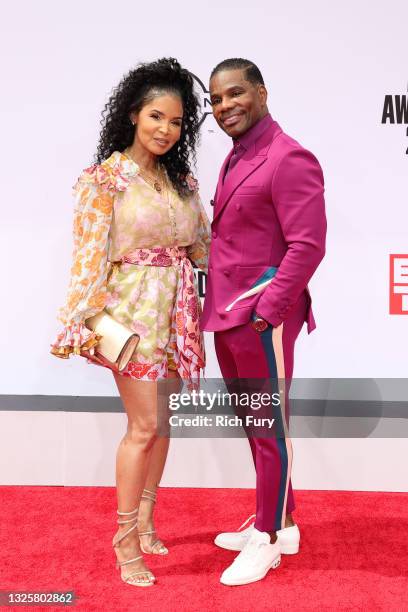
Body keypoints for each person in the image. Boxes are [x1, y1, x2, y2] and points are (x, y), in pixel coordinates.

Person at [51, 58, 210, 587]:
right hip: (131, 317)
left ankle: (144, 523)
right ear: (133, 116)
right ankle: (123, 543)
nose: (166, 129)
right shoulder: (104, 181)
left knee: (162, 426)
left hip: (178, 316)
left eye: (177, 122)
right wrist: (80, 319)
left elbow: (202, 247)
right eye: (156, 117)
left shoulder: (182, 181)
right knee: (142, 428)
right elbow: (88, 257)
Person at [201, 58, 326, 586]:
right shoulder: (237, 156)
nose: (224, 105)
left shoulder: (289, 157)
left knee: (268, 427)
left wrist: (266, 314)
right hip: (230, 313)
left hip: (260, 316)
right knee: (257, 424)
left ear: (261, 91)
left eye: (234, 93)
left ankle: (268, 538)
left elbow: (308, 245)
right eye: (215, 99)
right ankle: (285, 522)